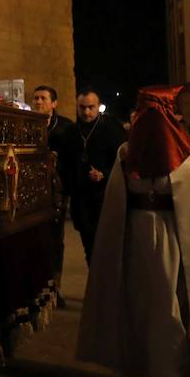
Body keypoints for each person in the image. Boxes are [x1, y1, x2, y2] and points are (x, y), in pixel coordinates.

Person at [76, 85, 190, 377]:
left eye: (152, 114)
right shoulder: (125, 153)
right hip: (135, 238)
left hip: (173, 241)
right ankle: (152, 375)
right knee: (141, 304)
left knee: (169, 306)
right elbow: (117, 203)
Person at [66, 87, 126, 263]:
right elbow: (65, 163)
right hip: (81, 200)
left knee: (107, 248)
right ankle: (95, 287)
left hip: (105, 198)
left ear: (98, 106)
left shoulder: (110, 130)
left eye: (91, 107)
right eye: (82, 107)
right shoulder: (71, 132)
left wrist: (104, 174)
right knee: (89, 247)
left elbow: (122, 160)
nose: (86, 111)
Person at [31, 85, 73, 303]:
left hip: (56, 191)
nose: (38, 102)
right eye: (36, 98)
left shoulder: (65, 127)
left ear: (54, 103)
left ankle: (56, 287)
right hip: (32, 191)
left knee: (55, 239)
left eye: (43, 98)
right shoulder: (26, 123)